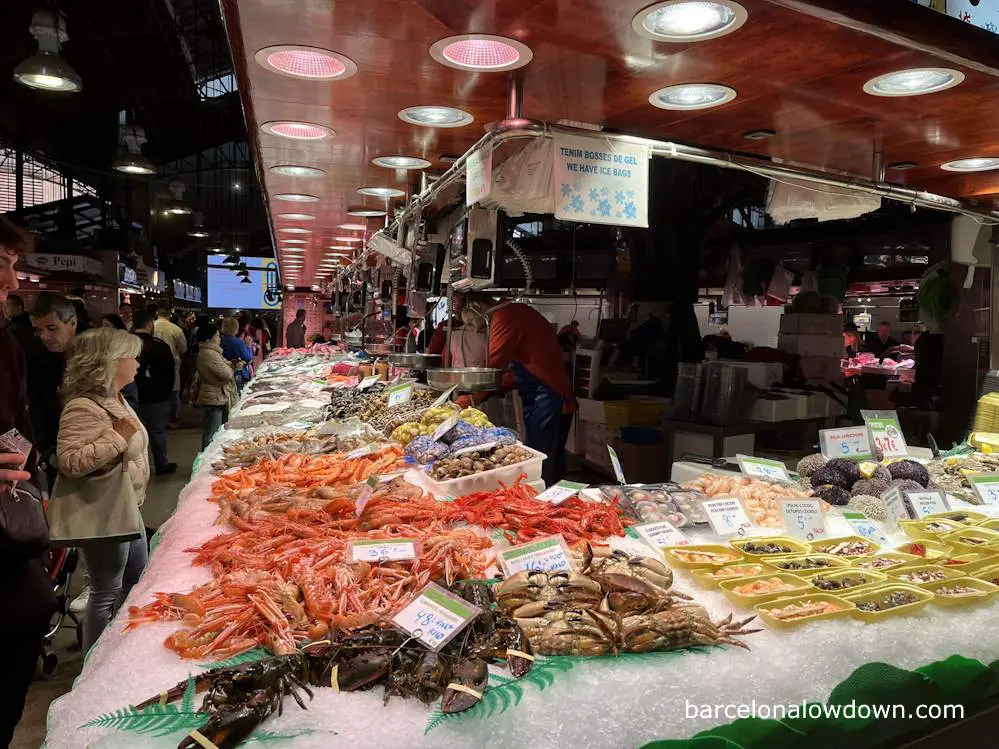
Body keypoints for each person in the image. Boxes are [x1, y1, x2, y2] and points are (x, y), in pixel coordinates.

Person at [56, 328, 149, 653]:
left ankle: (119, 649)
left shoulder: (117, 398)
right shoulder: (83, 407)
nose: (137, 363)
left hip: (126, 507)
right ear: (109, 363)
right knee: (105, 591)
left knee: (136, 580)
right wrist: (116, 439)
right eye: (131, 356)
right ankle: (94, 667)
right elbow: (69, 461)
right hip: (105, 512)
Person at [0, 218, 56, 746]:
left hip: (15, 552)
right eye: (2, 266)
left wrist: (35, 486)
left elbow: (20, 429)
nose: (14, 285)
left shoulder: (7, 347)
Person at [459, 293, 577, 484]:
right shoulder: (513, 312)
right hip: (543, 391)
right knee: (548, 455)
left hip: (548, 394)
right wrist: (494, 389)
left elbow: (491, 366)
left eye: (472, 324)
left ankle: (542, 504)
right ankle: (552, 501)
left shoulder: (505, 317)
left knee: (541, 458)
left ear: (478, 307)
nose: (473, 330)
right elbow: (517, 372)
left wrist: (466, 401)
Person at [28, 293, 85, 483]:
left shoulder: (97, 356)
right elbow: (35, 409)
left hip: (97, 454)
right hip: (56, 457)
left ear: (73, 323)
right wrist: (48, 451)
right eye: (38, 330)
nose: (44, 336)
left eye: (52, 328)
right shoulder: (34, 358)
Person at [132, 309, 177, 476]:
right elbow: (169, 373)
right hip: (156, 397)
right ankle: (161, 464)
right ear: (150, 324)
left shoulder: (125, 345)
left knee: (133, 435)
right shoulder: (159, 346)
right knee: (157, 431)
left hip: (130, 397)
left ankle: (138, 471)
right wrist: (166, 394)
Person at [196, 323, 237, 448]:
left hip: (216, 395)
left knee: (215, 432)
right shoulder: (210, 354)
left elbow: (224, 367)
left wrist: (231, 364)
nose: (219, 338)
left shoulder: (212, 352)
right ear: (209, 338)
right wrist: (233, 367)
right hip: (213, 398)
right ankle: (206, 462)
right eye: (217, 336)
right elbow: (226, 374)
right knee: (212, 434)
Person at [153, 302, 187, 428]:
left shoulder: (151, 327)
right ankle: (173, 420)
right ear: (170, 314)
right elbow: (183, 349)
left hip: (153, 365)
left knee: (157, 393)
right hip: (172, 364)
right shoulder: (176, 329)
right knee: (174, 394)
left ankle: (158, 419)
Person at [221, 317, 254, 387]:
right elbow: (248, 359)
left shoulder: (219, 340)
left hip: (223, 374)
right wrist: (248, 346)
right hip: (237, 375)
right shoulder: (238, 342)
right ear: (236, 328)